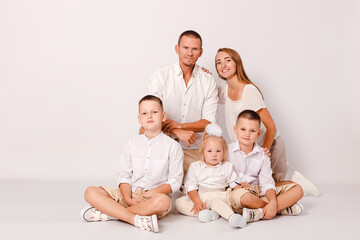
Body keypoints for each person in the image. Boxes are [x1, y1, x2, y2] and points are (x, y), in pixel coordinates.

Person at [215, 48, 320, 196]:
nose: (223, 65)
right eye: (218, 62)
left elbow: (271, 126)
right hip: (248, 150)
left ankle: (298, 184)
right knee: (251, 188)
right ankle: (295, 183)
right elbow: (207, 91)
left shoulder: (249, 91)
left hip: (270, 147)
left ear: (237, 63)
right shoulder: (225, 90)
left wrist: (264, 152)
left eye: (227, 60)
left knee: (265, 189)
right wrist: (203, 74)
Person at [81, 95, 184, 233]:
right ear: (139, 119)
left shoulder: (172, 146)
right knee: (90, 192)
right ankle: (135, 219)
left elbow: (174, 182)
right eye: (144, 113)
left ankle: (111, 214)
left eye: (154, 112)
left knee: (163, 202)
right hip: (130, 194)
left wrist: (149, 193)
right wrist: (128, 198)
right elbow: (125, 175)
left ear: (163, 116)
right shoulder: (132, 143)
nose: (149, 116)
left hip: (153, 197)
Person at [145, 30, 218, 179]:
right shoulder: (160, 75)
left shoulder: (208, 80)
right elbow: (151, 114)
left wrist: (180, 126)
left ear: (201, 52)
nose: (190, 53)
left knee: (210, 186)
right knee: (156, 188)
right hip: (163, 145)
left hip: (195, 149)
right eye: (185, 48)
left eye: (195, 49)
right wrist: (176, 132)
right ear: (177, 49)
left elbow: (209, 122)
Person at [228, 110, 304, 226]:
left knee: (298, 190)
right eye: (243, 129)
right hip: (239, 192)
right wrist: (236, 185)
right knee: (245, 198)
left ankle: (260, 212)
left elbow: (267, 183)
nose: (247, 134)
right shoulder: (227, 151)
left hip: (258, 191)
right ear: (235, 130)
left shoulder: (263, 155)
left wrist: (273, 201)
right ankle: (279, 210)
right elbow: (222, 175)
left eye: (252, 131)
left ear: (258, 134)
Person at [175, 123, 246, 228]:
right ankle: (208, 213)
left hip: (220, 195)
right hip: (201, 196)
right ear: (203, 152)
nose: (214, 154)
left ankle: (231, 217)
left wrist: (239, 185)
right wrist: (197, 202)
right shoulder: (196, 166)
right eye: (209, 151)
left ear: (223, 152)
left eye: (218, 151)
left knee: (216, 202)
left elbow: (233, 183)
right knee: (178, 203)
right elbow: (191, 187)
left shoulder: (227, 166)